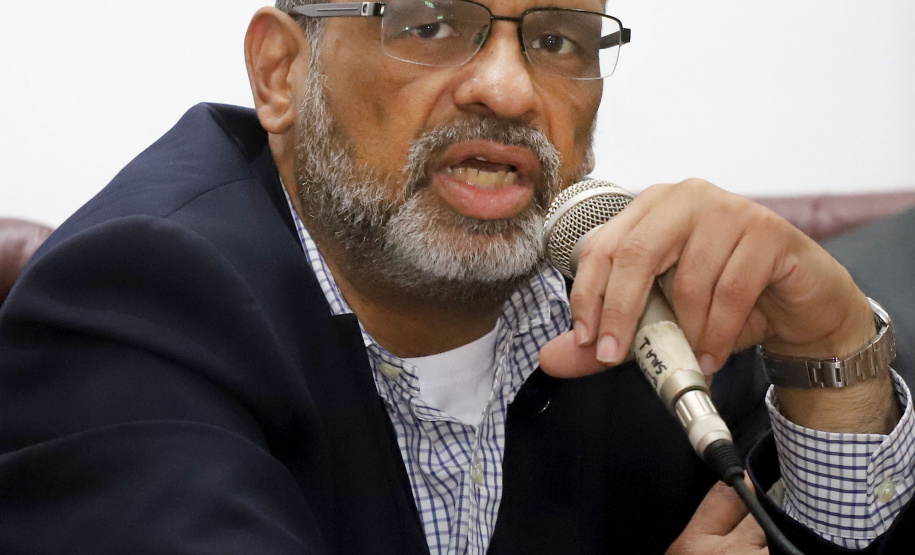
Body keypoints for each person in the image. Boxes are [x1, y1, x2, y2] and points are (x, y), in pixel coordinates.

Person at [0, 1, 912, 553]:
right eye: (428, 24)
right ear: (281, 71)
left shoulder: (641, 298)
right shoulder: (134, 302)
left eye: (558, 38)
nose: (509, 90)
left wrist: (833, 358)